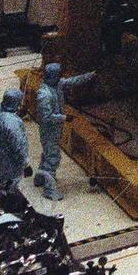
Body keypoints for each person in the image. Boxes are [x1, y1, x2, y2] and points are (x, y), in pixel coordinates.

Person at [34, 63, 96, 199]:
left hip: (55, 128)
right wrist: (65, 117)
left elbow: (72, 81)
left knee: (47, 153)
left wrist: (91, 75)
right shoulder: (44, 95)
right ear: (54, 75)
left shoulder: (56, 84)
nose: (61, 76)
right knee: (53, 157)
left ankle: (40, 178)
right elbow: (46, 117)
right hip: (49, 129)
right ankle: (49, 190)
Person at [0, 88, 30, 205]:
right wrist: (26, 164)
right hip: (9, 165)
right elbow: (18, 146)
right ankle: (7, 211)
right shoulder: (13, 123)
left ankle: (1, 203)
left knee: (1, 185)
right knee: (9, 189)